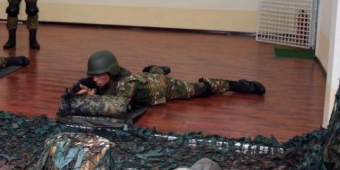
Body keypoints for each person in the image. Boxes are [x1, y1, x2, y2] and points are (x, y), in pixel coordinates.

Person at [71, 50, 265, 108]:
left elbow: (117, 105)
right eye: (93, 76)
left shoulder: (125, 83)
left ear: (111, 72)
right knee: (149, 74)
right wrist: (86, 88)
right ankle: (155, 70)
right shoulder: (118, 75)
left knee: (200, 89)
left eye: (98, 76)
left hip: (165, 88)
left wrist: (91, 98)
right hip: (148, 80)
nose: (95, 79)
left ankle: (235, 84)